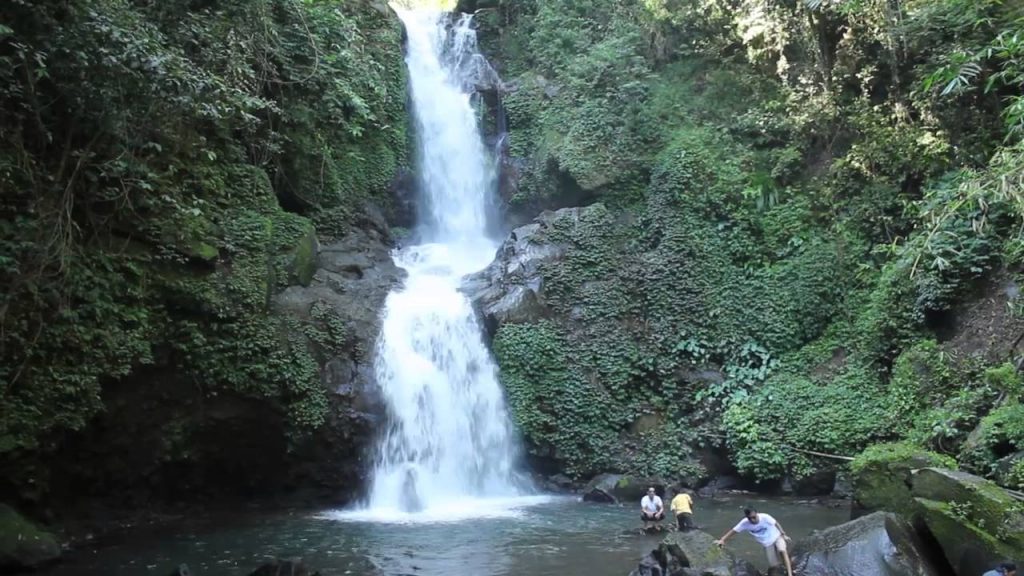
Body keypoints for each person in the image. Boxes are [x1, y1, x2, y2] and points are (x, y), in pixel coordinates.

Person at [715, 508, 793, 576]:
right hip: (767, 544)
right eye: (750, 518)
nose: (752, 520)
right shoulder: (744, 523)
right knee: (774, 565)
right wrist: (722, 540)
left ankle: (790, 574)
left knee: (782, 550)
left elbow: (776, 523)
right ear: (747, 518)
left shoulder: (765, 517)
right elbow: (734, 531)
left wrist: (783, 534)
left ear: (757, 513)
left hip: (777, 537)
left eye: (754, 517)